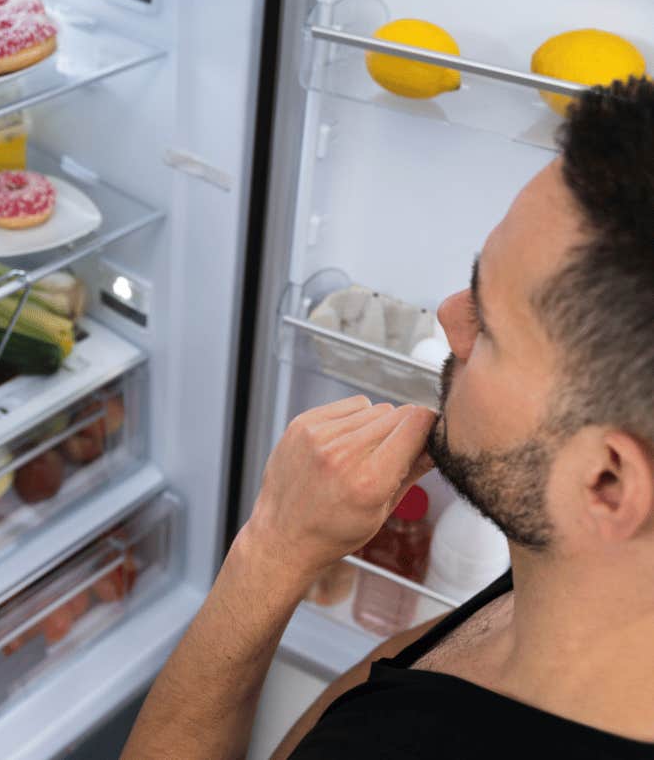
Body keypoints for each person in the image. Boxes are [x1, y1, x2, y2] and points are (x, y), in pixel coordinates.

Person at [121, 78, 654, 759]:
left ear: (607, 482)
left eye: (489, 326)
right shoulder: (574, 585)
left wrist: (272, 551)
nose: (449, 317)